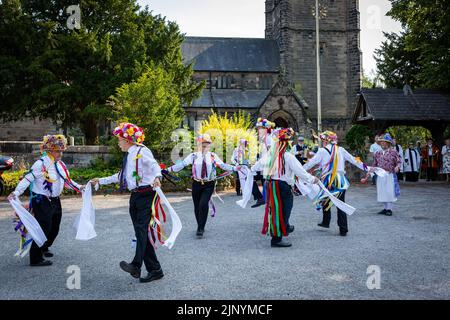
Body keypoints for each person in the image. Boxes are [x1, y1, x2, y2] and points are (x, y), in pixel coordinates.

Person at [91, 123, 163, 283]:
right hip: (135, 197)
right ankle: (155, 269)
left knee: (142, 231)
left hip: (146, 195)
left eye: (119, 140)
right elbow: (122, 175)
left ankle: (136, 265)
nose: (118, 143)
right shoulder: (129, 155)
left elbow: (154, 165)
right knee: (141, 233)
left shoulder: (142, 151)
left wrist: (158, 177)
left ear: (127, 139)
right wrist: (101, 181)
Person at [8, 135, 83, 266]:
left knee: (55, 228)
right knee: (44, 228)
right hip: (41, 200)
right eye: (57, 150)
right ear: (49, 151)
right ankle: (35, 258)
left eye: (61, 150)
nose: (61, 153)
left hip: (55, 200)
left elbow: (67, 182)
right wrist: (16, 192)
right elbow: (27, 179)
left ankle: (44, 247)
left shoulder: (61, 165)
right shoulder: (40, 164)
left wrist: (80, 188)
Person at [249, 128, 318, 247]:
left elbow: (256, 167)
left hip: (271, 185)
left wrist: (251, 170)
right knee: (285, 209)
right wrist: (312, 179)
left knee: (275, 209)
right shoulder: (288, 156)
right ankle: (278, 237)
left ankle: (283, 228)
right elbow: (300, 172)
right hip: (282, 186)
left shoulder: (270, 155)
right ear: (287, 143)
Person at [303, 131, 372, 236]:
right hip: (340, 180)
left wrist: (299, 171)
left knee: (325, 199)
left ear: (326, 140)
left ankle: (326, 222)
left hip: (328, 179)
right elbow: (354, 160)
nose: (322, 142)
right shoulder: (341, 150)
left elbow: (311, 163)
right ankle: (343, 228)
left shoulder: (322, 151)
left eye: (323, 140)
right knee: (340, 203)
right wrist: (368, 168)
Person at [167, 133, 237, 238]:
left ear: (209, 146)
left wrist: (235, 168)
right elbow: (182, 165)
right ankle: (200, 225)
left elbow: (222, 165)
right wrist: (168, 170)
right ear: (198, 145)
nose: (204, 147)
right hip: (196, 183)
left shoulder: (213, 156)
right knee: (196, 206)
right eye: (202, 145)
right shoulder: (193, 156)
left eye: (206, 145)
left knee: (203, 204)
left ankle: (200, 228)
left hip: (209, 184)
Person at [374, 133, 401, 216]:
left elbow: (399, 161)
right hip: (380, 175)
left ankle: (389, 209)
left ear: (388, 143)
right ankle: (385, 208)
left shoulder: (394, 152)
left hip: (390, 174)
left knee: (389, 192)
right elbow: (375, 164)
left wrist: (397, 166)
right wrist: (370, 172)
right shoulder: (377, 153)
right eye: (381, 142)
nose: (383, 143)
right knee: (382, 192)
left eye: (384, 142)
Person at [251, 118, 275, 208]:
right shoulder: (263, 139)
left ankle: (264, 201)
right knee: (249, 177)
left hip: (267, 167)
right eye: (258, 128)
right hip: (262, 167)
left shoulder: (269, 138)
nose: (258, 130)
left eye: (260, 128)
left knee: (267, 188)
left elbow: (270, 153)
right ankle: (259, 197)